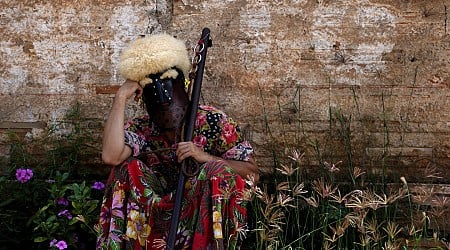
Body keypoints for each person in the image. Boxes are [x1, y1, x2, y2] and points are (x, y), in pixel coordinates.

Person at [96, 33, 259, 250]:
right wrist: (120, 98)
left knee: (216, 171)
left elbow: (252, 174)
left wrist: (205, 158)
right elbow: (111, 155)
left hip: (200, 214)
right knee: (125, 169)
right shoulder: (143, 128)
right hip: (154, 218)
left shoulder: (212, 121)